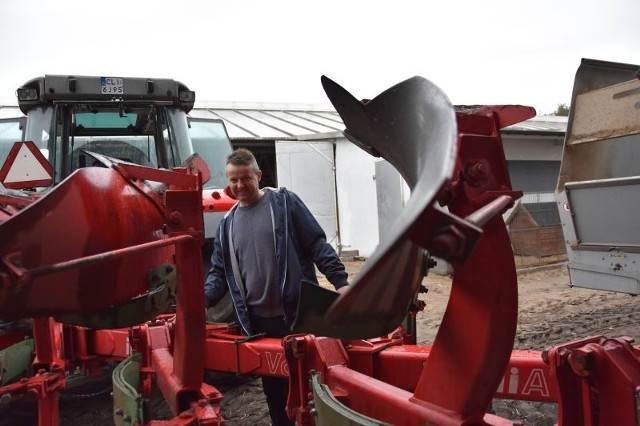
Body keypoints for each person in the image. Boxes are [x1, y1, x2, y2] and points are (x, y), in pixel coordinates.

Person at [204, 148, 349, 426]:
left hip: (297, 315)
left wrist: (340, 282)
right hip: (259, 323)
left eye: (246, 178)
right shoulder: (227, 224)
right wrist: (204, 300)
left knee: (311, 382)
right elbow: (219, 271)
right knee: (274, 390)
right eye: (233, 180)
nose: (239, 186)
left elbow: (316, 244)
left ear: (258, 175)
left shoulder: (283, 204)